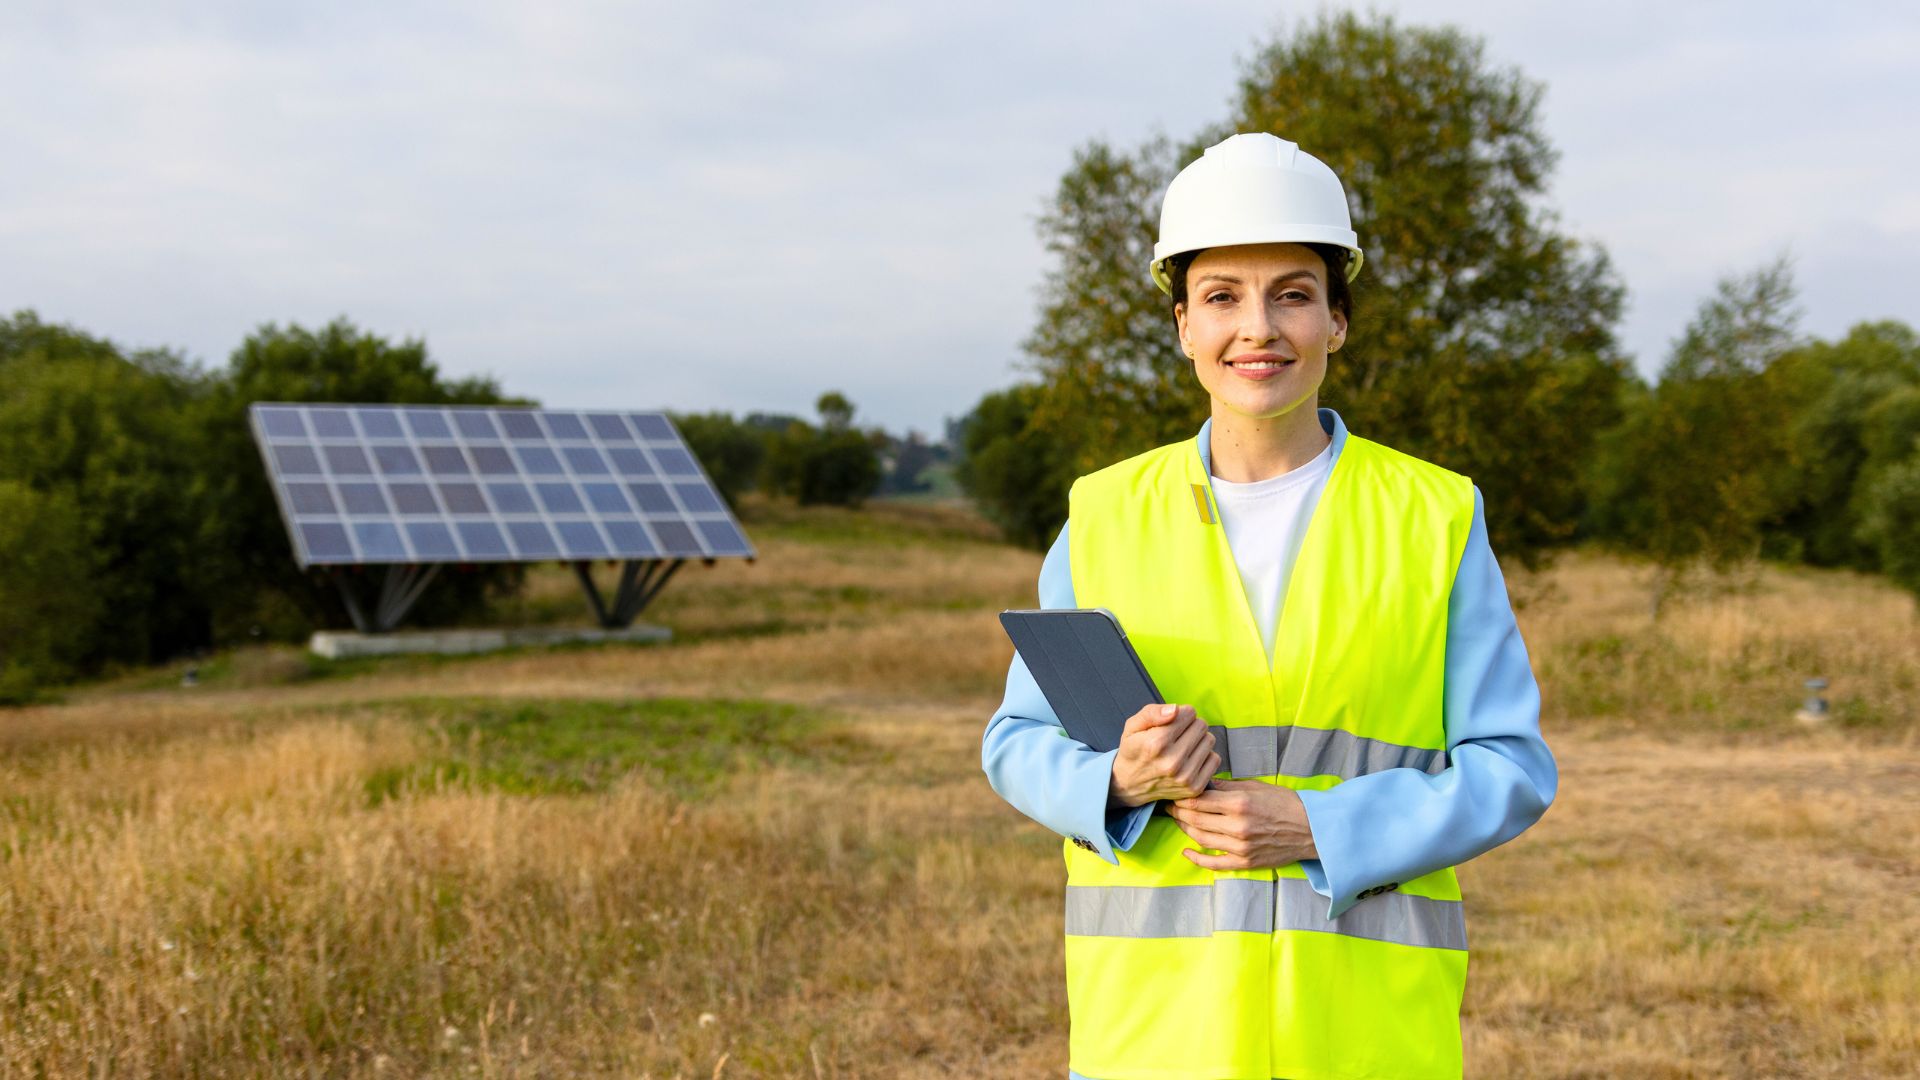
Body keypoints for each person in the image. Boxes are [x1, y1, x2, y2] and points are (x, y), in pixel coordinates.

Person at [981, 132, 1557, 1080]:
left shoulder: (1436, 516)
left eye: (1293, 293)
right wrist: (1116, 783)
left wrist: (1321, 829)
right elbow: (1016, 742)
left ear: (1337, 321)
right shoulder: (1103, 514)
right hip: (1156, 1040)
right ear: (1182, 327)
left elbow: (1511, 767)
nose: (1259, 328)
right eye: (1222, 298)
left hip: (1365, 1039)